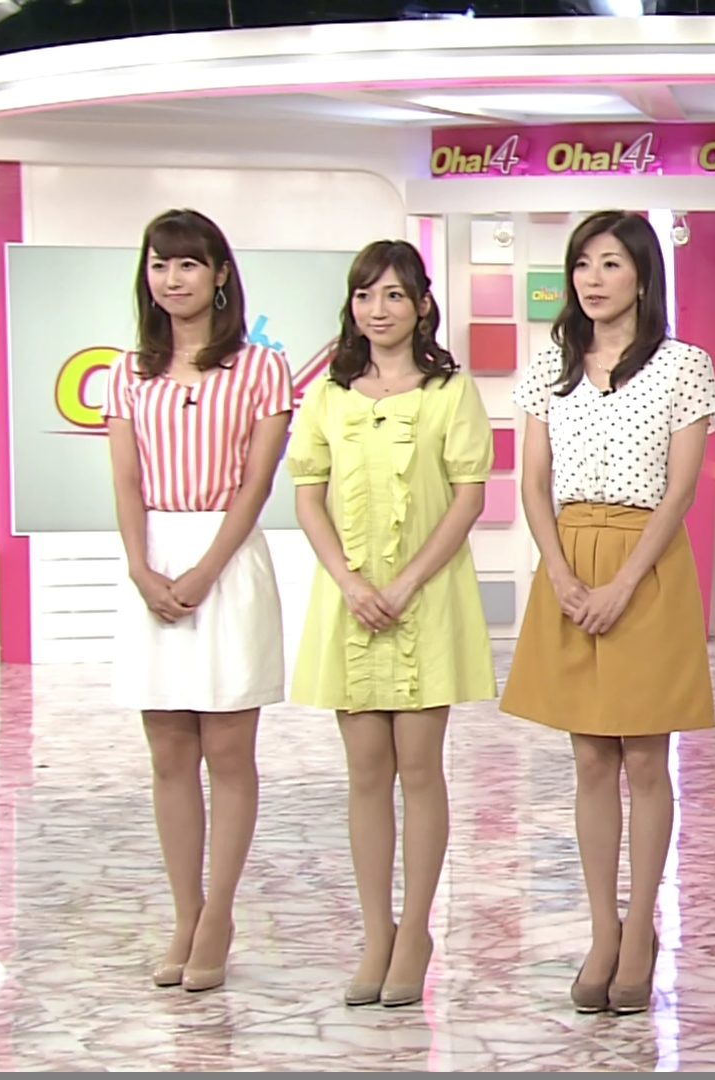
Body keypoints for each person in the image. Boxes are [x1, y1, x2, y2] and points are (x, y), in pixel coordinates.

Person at [499, 210, 715, 1016]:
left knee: (644, 758)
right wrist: (558, 573)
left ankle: (641, 933)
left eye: (611, 264)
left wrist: (626, 581)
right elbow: (531, 482)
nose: (593, 279)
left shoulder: (683, 365)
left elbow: (681, 489)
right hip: (567, 557)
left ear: (643, 276)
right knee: (590, 757)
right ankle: (603, 930)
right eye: (583, 264)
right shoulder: (549, 366)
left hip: (646, 563)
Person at [286, 239, 495, 1008]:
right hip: (351, 604)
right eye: (366, 295)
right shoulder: (329, 393)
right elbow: (307, 492)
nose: (379, 309)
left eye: (395, 295)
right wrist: (348, 581)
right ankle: (377, 932)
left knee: (419, 768)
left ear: (422, 305)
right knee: (366, 773)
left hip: (426, 600)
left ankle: (417, 933)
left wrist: (406, 582)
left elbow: (469, 496)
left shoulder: (451, 391)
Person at [104, 208, 292, 994]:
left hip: (229, 560)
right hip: (155, 559)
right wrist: (141, 569)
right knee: (170, 755)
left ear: (219, 274)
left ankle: (219, 916)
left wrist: (208, 567)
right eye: (159, 264)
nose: (172, 278)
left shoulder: (261, 368)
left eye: (187, 264)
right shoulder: (127, 371)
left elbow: (257, 484)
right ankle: (184, 915)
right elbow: (126, 480)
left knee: (228, 751)